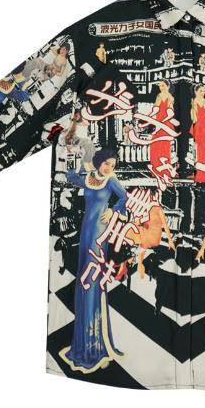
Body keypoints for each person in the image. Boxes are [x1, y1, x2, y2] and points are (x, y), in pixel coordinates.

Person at [60, 149, 128, 374]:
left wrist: (113, 211)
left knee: (93, 280)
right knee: (83, 280)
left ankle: (95, 346)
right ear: (98, 162)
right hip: (86, 231)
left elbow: (124, 197)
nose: (109, 168)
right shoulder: (89, 178)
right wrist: (75, 158)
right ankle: (82, 342)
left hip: (99, 233)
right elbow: (72, 177)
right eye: (106, 163)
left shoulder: (111, 181)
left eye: (113, 165)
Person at [150, 80, 176, 180]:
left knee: (157, 147)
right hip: (165, 124)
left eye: (163, 85)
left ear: (168, 86)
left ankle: (158, 171)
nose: (161, 87)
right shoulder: (170, 97)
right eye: (160, 86)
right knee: (164, 147)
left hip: (161, 123)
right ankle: (164, 171)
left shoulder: (161, 96)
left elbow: (156, 110)